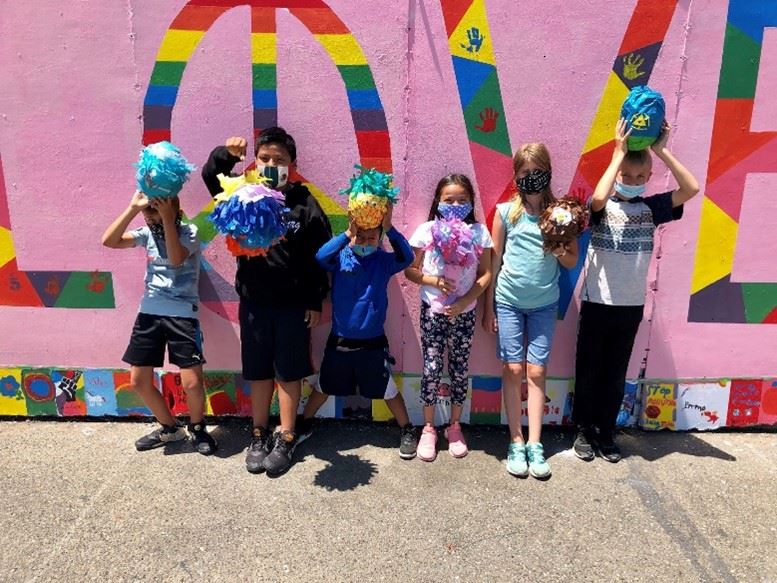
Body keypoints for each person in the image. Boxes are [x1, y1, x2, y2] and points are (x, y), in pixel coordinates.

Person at [201, 127, 331, 475]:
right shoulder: (243, 193)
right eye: (265, 159)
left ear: (293, 165)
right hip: (254, 302)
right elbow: (212, 178)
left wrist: (315, 300)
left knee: (289, 373)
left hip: (293, 306)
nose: (272, 164)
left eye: (280, 160)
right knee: (258, 371)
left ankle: (287, 436)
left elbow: (321, 255)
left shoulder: (304, 203)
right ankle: (258, 433)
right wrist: (226, 155)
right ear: (256, 162)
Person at [573, 119, 699, 463]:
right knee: (589, 368)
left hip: (630, 306)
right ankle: (583, 429)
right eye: (626, 177)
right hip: (598, 301)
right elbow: (598, 198)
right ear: (616, 175)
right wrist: (618, 154)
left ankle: (605, 431)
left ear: (649, 178)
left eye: (640, 178)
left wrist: (661, 151)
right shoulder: (601, 210)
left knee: (615, 372)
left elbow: (691, 188)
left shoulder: (651, 208)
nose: (632, 182)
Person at [483, 144, 578, 479]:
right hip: (508, 301)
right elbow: (493, 261)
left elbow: (571, 261)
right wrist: (488, 306)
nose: (531, 178)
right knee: (512, 368)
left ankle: (535, 442)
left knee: (536, 372)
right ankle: (515, 439)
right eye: (524, 173)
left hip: (544, 304)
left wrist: (559, 248)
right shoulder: (506, 213)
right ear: (516, 175)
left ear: (548, 172)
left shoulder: (561, 213)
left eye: (537, 171)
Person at [298, 206, 419, 458]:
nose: (365, 242)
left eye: (371, 238)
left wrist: (389, 228)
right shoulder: (341, 256)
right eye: (360, 237)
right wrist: (346, 234)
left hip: (373, 344)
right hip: (340, 341)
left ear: (379, 239)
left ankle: (407, 428)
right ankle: (305, 423)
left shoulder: (384, 261)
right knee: (323, 385)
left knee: (387, 389)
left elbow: (407, 258)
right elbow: (320, 257)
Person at [102, 191, 216, 455]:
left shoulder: (189, 232)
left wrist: (167, 218)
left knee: (192, 382)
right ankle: (170, 428)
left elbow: (176, 258)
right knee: (138, 380)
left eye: (156, 211)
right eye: (148, 212)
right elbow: (109, 241)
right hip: (149, 313)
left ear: (174, 210)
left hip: (182, 315)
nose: (150, 217)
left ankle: (198, 428)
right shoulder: (145, 233)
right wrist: (132, 208)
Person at [404, 174, 492, 461]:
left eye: (462, 200)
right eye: (449, 200)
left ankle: (454, 426)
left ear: (471, 203)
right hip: (433, 312)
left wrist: (466, 301)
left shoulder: (479, 232)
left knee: (458, 368)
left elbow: (486, 274)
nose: (455, 205)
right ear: (438, 202)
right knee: (430, 368)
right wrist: (433, 281)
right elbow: (410, 270)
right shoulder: (427, 230)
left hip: (464, 314)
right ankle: (428, 427)